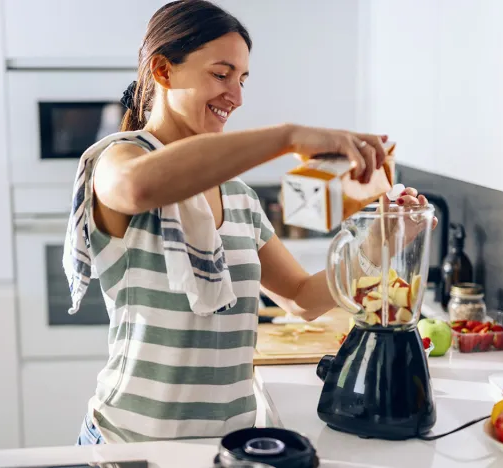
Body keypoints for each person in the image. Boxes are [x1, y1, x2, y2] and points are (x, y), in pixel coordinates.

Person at [67, 0, 436, 445]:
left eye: (242, 80)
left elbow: (302, 298)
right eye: (221, 74)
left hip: (229, 444)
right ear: (163, 71)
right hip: (132, 444)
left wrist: (381, 243)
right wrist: (288, 136)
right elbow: (139, 188)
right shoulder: (119, 159)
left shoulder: (237, 196)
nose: (237, 96)